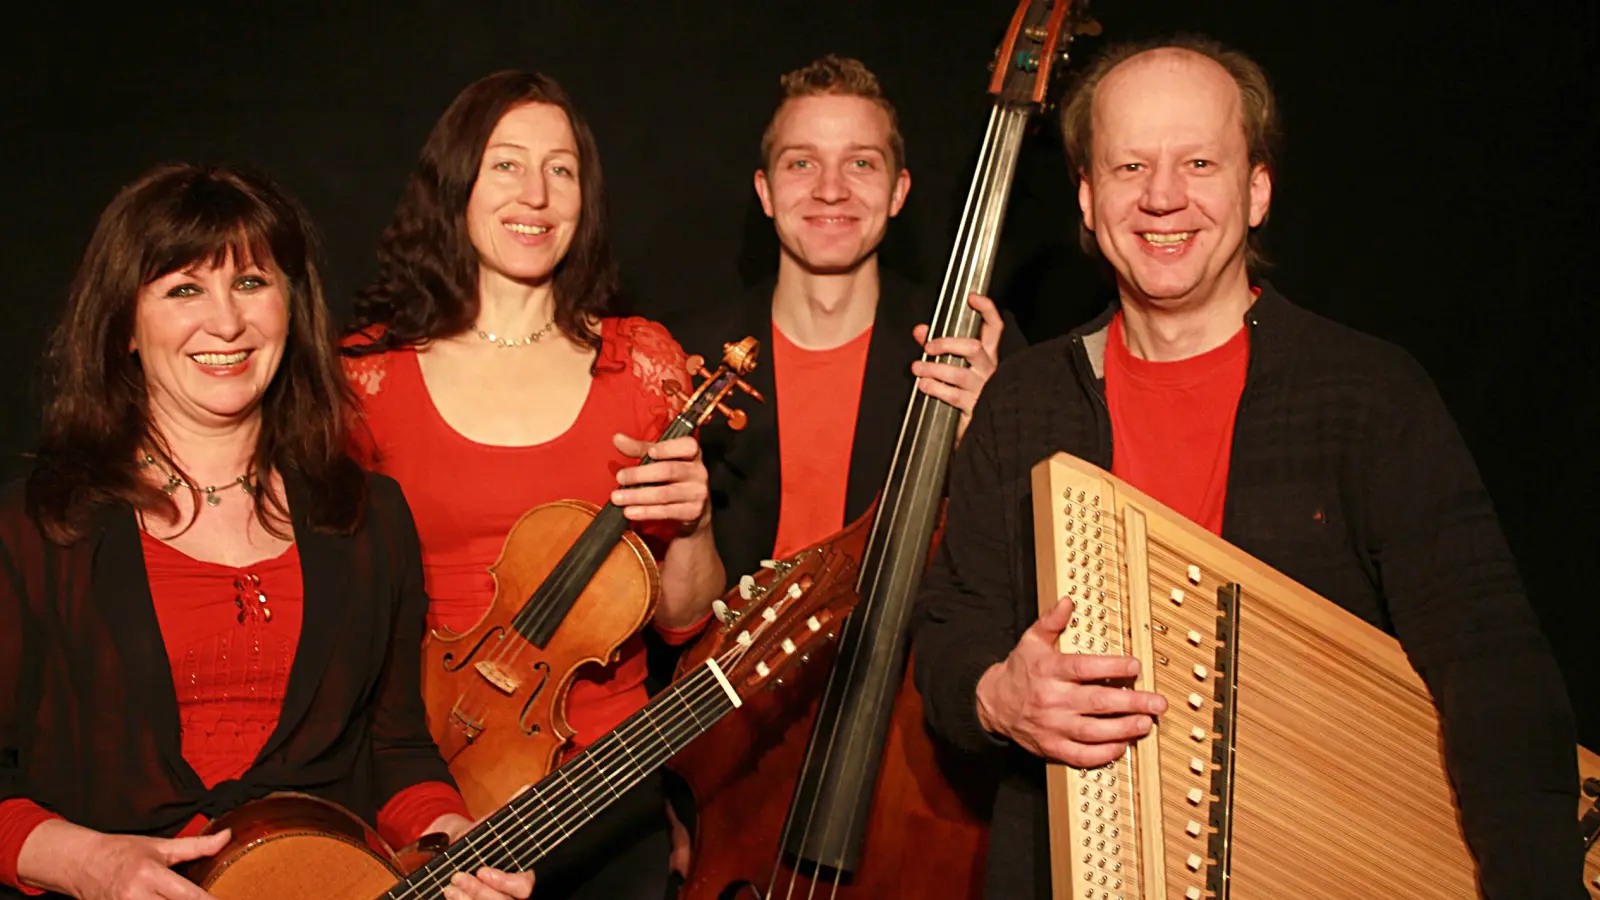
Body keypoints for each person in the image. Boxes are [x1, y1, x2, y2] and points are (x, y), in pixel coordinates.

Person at [910, 35, 1581, 900]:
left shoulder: (1367, 397)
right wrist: (998, 695)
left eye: (1198, 162)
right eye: (1128, 166)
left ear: (1256, 191)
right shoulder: (1024, 401)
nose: (1162, 196)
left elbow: (1494, 668)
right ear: (1087, 196)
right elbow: (950, 630)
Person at [0, 164, 532, 900]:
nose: (226, 323)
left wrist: (450, 837)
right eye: (184, 289)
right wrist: (90, 864)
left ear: (292, 305)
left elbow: (395, 751)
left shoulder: (370, 518)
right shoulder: (35, 529)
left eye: (251, 282)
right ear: (124, 324)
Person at [341, 71, 721, 899]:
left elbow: (683, 619)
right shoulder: (366, 376)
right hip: (428, 790)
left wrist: (694, 526)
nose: (537, 195)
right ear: (457, 183)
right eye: (506, 164)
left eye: (562, 169)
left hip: (602, 793)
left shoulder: (641, 363)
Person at [670, 52, 1026, 589]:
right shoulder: (686, 354)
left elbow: (1023, 568)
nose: (831, 189)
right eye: (802, 163)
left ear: (898, 191)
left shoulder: (974, 351)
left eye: (861, 163)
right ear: (766, 192)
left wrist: (990, 444)